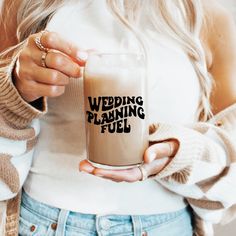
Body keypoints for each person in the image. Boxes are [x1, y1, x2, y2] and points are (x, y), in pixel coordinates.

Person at [0, 0, 236, 235]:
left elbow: (231, 171)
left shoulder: (207, 18)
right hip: (44, 222)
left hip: (165, 227)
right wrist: (15, 91)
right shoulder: (28, 6)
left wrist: (183, 156)